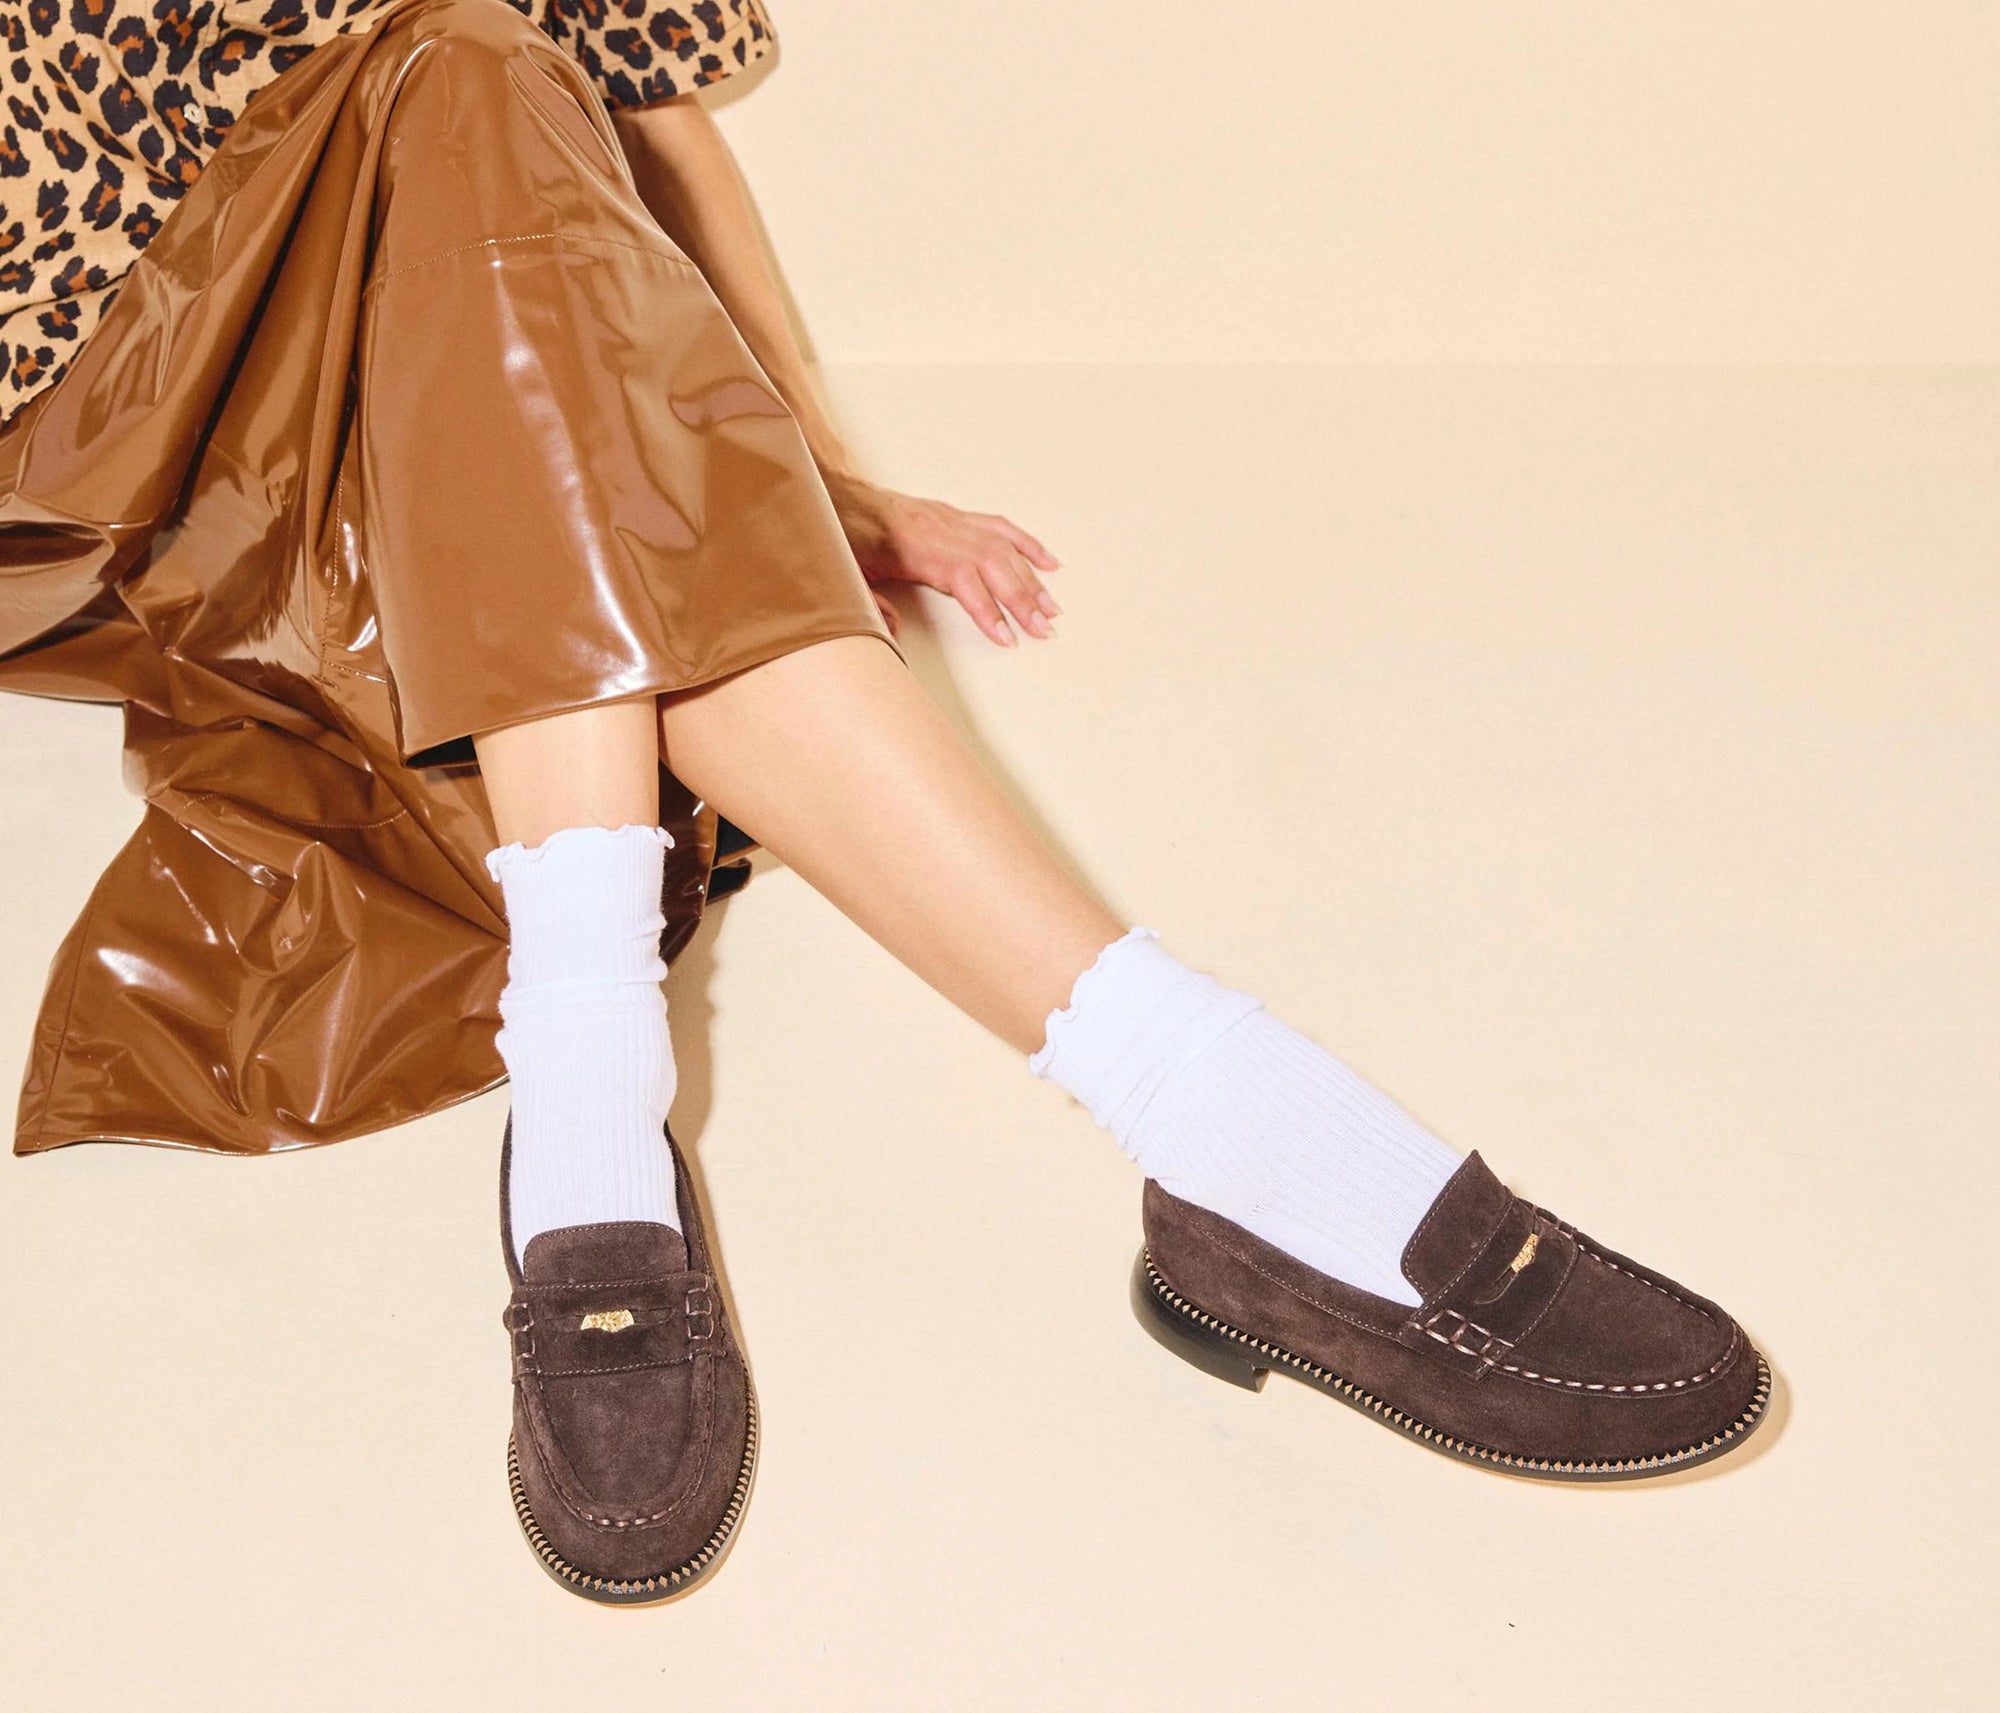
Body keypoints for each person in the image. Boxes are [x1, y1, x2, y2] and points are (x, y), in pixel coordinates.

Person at [0, 0, 1771, 1606]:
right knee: (463, 77)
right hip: (122, 435)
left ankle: (599, 1102)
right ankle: (1206, 1103)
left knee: (475, 69)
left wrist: (814, 484)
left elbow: (643, 129)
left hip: (463, 387)